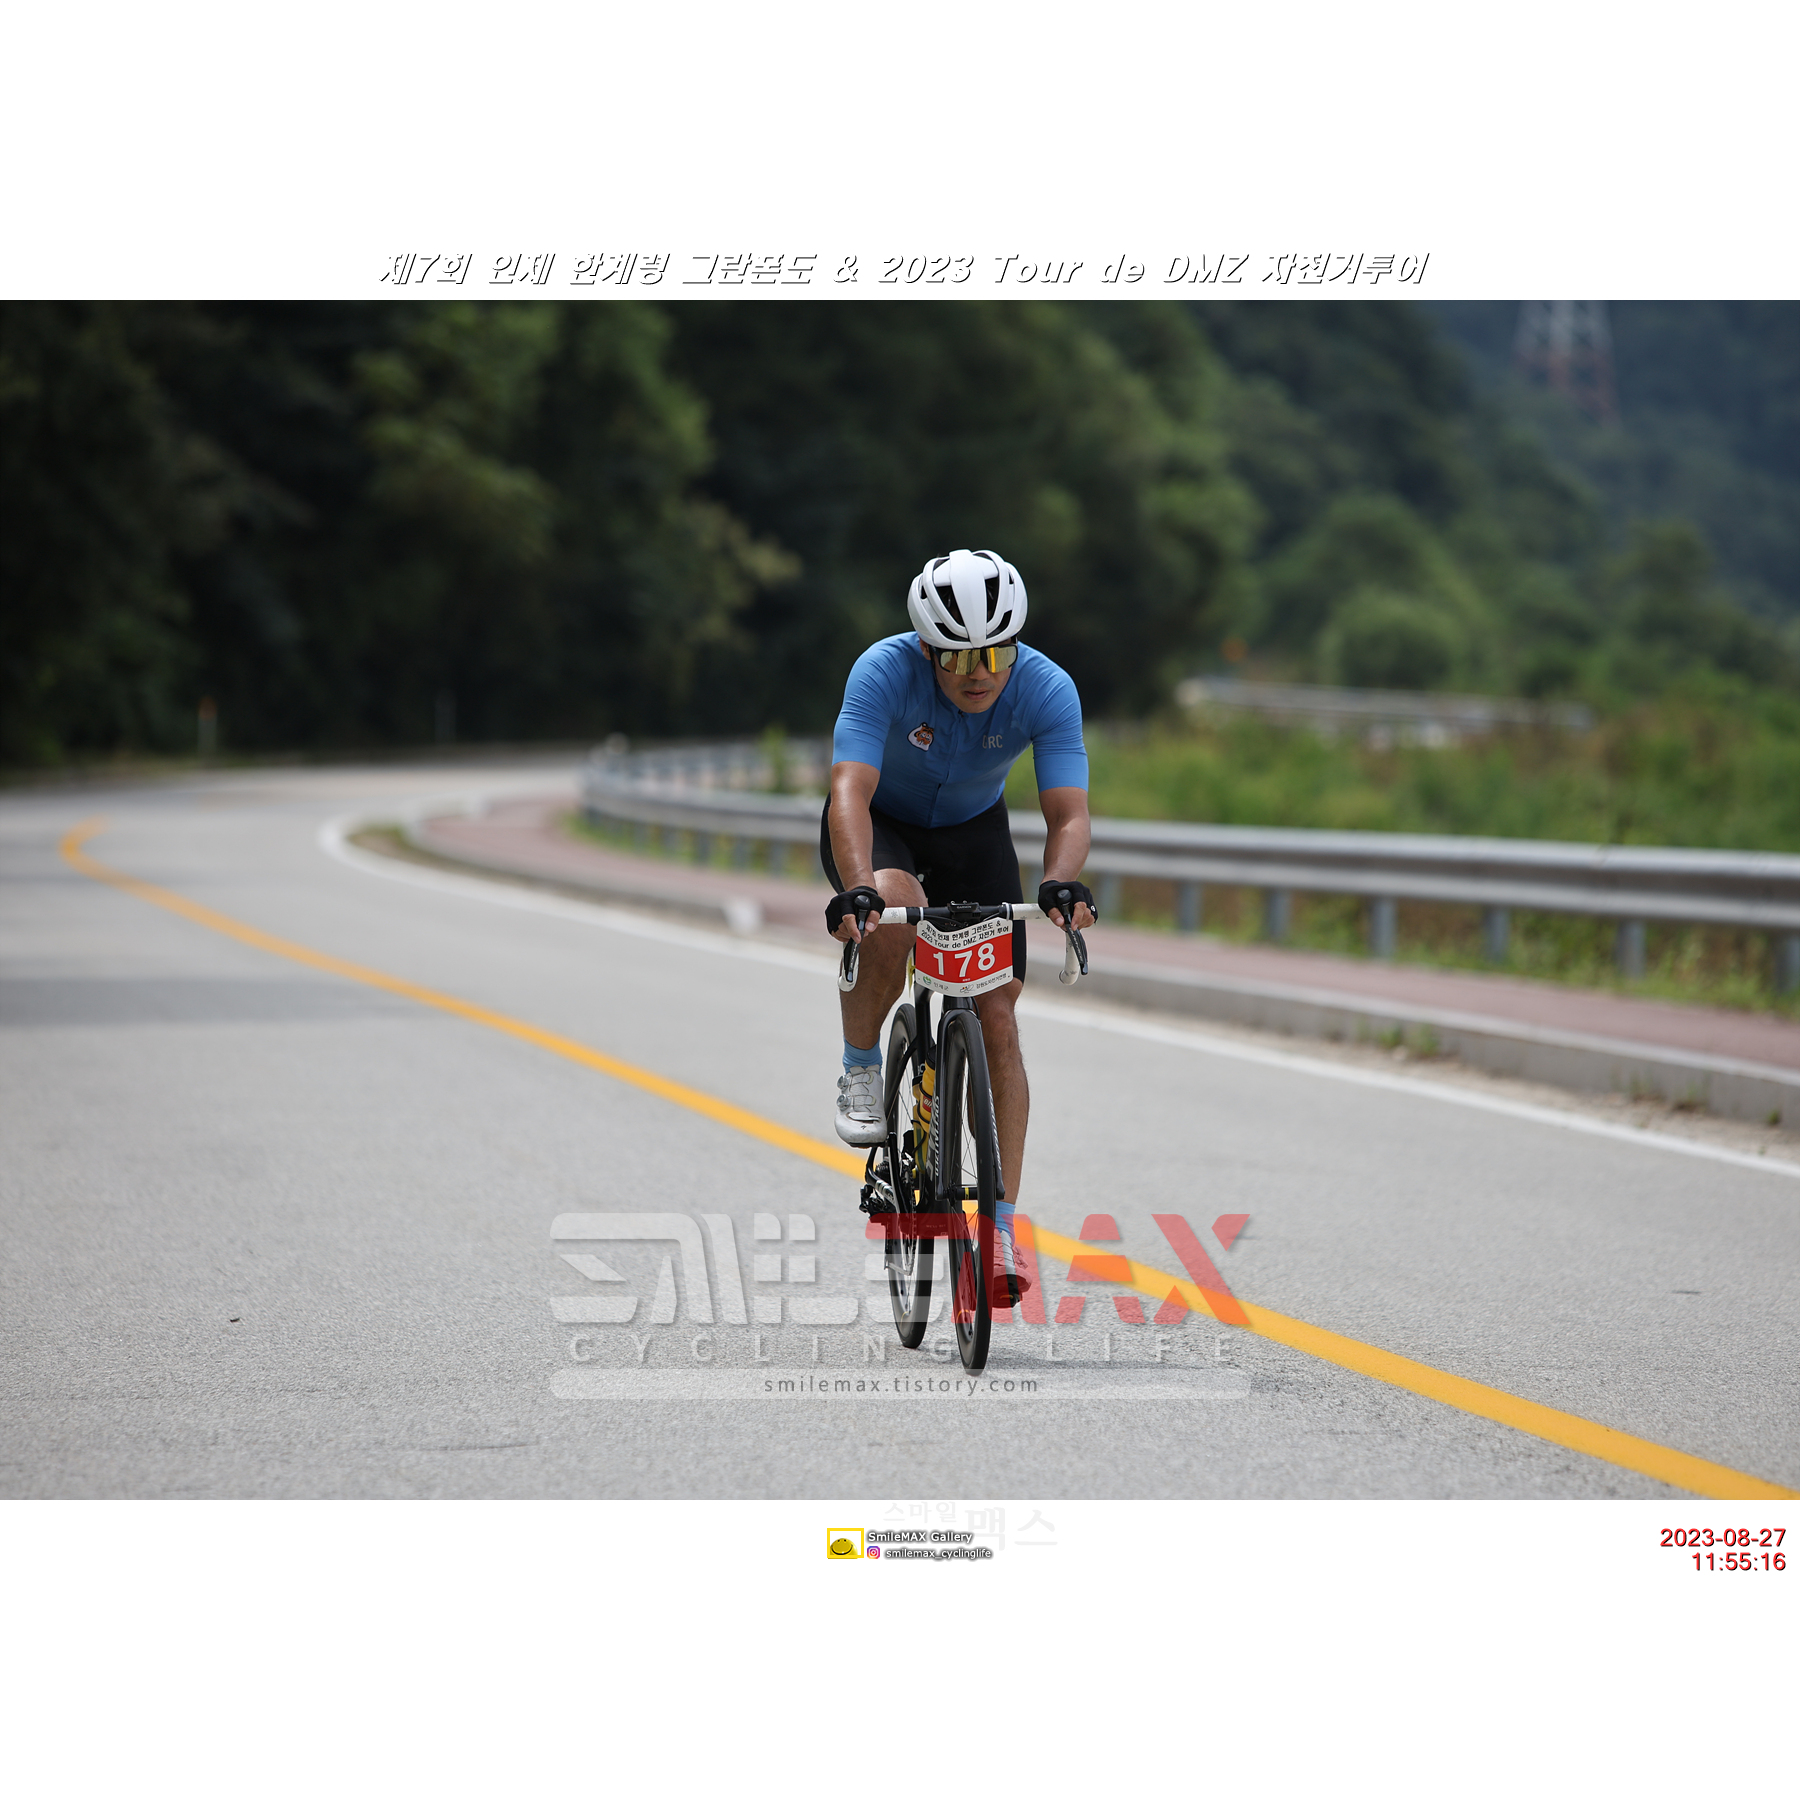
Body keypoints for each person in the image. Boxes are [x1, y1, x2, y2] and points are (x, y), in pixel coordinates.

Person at [822, 547, 1097, 1305]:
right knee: (892, 908)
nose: (979, 672)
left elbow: (1068, 812)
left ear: (1016, 644)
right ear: (925, 648)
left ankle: (1000, 1227)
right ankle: (861, 1066)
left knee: (999, 1014)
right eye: (957, 656)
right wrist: (858, 888)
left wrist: (1059, 879)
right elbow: (849, 789)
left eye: (995, 653)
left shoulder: (1046, 687)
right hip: (881, 827)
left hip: (974, 835)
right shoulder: (882, 671)